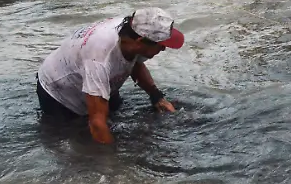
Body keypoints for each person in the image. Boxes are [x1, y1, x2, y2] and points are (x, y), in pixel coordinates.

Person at [36, 8, 184, 144]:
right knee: (78, 139)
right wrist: (113, 166)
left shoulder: (131, 32)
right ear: (140, 41)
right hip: (59, 93)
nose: (164, 48)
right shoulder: (99, 57)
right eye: (161, 44)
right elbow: (97, 124)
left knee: (115, 117)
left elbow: (135, 63)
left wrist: (156, 96)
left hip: (97, 77)